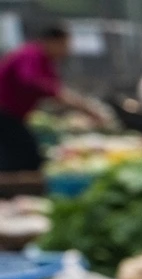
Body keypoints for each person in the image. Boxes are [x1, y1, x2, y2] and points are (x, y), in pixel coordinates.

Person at [0, 25, 104, 172]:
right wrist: (84, 107)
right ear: (53, 41)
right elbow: (31, 81)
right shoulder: (31, 54)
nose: (67, 51)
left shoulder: (45, 61)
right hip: (5, 112)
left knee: (21, 155)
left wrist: (79, 104)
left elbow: (56, 89)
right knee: (25, 156)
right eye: (65, 45)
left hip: (13, 115)